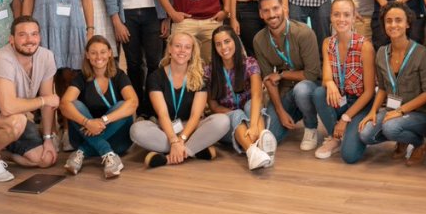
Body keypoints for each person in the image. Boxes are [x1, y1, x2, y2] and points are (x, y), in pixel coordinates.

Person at [0, 16, 59, 182]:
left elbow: (48, 104)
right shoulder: (2, 60)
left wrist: (48, 139)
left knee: (45, 159)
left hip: (12, 118)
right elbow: (8, 107)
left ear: (39, 37)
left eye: (34, 34)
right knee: (17, 121)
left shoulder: (46, 56)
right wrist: (43, 101)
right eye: (23, 35)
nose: (29, 40)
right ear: (12, 39)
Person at [129, 31, 231, 168]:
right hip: (163, 128)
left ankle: (169, 158)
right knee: (136, 129)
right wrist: (173, 140)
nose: (182, 50)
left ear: (192, 52)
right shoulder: (155, 77)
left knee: (222, 121)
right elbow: (162, 114)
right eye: (178, 46)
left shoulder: (200, 77)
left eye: (187, 47)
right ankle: (193, 150)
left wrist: (181, 139)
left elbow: (195, 116)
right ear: (170, 49)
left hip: (190, 128)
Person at [358, 1, 426, 165]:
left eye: (398, 20)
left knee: (390, 127)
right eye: (389, 21)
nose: (393, 25)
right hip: (392, 111)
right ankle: (402, 137)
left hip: (421, 114)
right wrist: (373, 111)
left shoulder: (422, 53)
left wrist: (401, 111)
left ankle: (420, 143)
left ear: (408, 24)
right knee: (365, 134)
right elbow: (382, 88)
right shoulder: (381, 53)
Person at [60, 36, 138, 179]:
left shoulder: (119, 75)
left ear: (110, 53)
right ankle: (107, 153)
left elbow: (133, 102)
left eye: (103, 52)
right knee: (74, 105)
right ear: (87, 55)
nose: (98, 57)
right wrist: (87, 123)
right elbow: (64, 104)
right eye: (93, 53)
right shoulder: (81, 77)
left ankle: (82, 151)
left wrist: (103, 120)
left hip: (118, 142)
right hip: (84, 136)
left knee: (123, 105)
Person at [252, 0, 322, 150]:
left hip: (310, 87)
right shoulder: (259, 40)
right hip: (285, 91)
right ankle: (295, 112)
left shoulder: (304, 33)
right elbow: (268, 79)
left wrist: (282, 74)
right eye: (266, 10)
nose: (272, 14)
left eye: (275, 8)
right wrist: (280, 112)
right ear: (261, 14)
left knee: (302, 90)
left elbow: (312, 74)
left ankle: (311, 126)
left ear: (284, 8)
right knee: (270, 134)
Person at [312, 0, 376, 162]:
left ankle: (347, 132)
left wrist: (345, 118)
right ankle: (335, 137)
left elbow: (369, 92)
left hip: (360, 103)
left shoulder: (365, 46)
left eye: (346, 15)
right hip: (341, 98)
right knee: (319, 93)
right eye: (336, 14)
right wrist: (330, 82)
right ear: (331, 17)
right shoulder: (327, 43)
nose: (341, 19)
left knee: (349, 156)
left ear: (354, 18)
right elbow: (326, 77)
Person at [205, 25, 276, 170]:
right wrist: (238, 116)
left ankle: (258, 151)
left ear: (235, 42)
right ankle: (255, 150)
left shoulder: (250, 63)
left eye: (227, 41)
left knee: (250, 104)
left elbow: (257, 95)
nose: (223, 47)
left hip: (252, 121)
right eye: (218, 44)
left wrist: (253, 125)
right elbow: (213, 106)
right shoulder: (209, 70)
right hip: (228, 126)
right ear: (214, 48)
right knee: (237, 113)